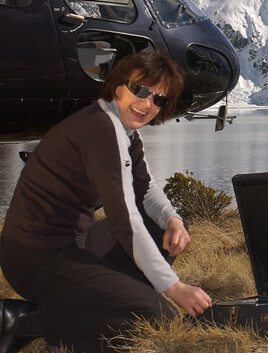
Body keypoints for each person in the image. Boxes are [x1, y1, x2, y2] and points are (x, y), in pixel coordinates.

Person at [0, 51, 211, 351]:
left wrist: (174, 220)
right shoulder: (101, 130)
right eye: (139, 90)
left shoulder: (123, 131)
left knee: (163, 225)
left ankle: (107, 296)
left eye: (158, 99)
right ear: (116, 86)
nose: (147, 104)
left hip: (73, 244)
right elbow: (125, 221)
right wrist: (173, 288)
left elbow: (146, 190)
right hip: (35, 257)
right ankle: (23, 321)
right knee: (156, 315)